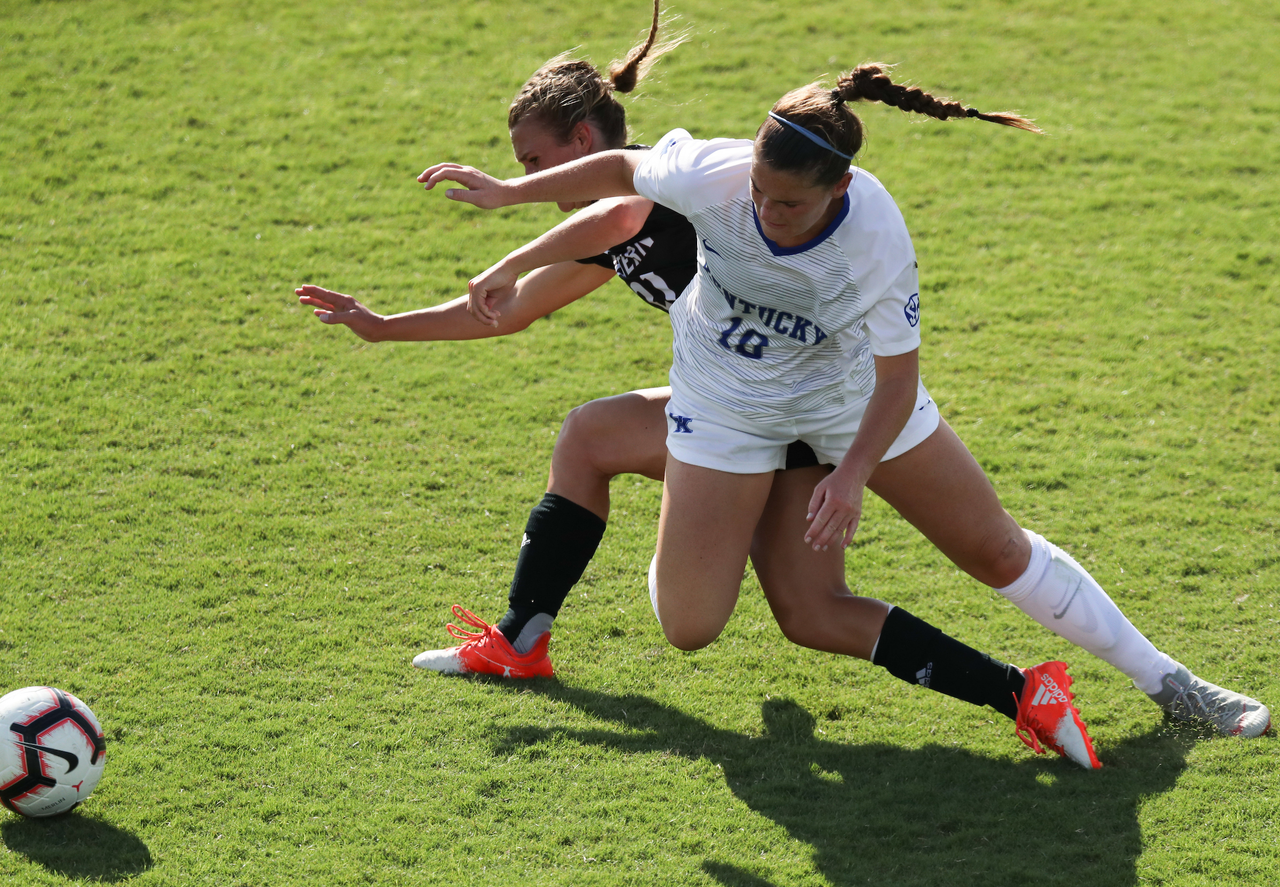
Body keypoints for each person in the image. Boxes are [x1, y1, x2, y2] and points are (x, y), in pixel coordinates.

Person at [298, 7, 1104, 769]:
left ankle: (1019, 685)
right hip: (735, 417)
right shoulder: (629, 215)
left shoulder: (660, 199)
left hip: (798, 426)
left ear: (582, 140)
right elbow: (504, 313)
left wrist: (508, 229)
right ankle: (522, 638)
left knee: (751, 606)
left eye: (535, 163)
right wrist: (383, 324)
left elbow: (607, 216)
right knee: (740, 558)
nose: (528, 180)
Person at [418, 61, 1271, 740]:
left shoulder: (875, 240)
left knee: (993, 546)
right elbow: (615, 176)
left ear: (840, 188)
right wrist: (507, 209)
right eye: (758, 193)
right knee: (687, 625)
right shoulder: (721, 175)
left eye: (788, 203)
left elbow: (897, 382)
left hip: (844, 402)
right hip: (725, 401)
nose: (765, 214)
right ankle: (703, 506)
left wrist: (852, 473)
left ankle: (1172, 683)